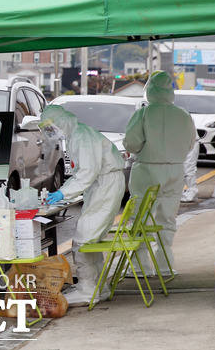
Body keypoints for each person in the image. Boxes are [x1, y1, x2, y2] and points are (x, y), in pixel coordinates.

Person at [39, 105, 126, 306]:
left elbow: (87, 172)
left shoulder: (80, 137)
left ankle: (87, 289)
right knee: (91, 239)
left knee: (84, 238)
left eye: (51, 127)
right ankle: (98, 287)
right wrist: (63, 191)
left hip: (105, 185)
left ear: (62, 121)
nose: (51, 132)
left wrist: (63, 193)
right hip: (103, 184)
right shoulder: (76, 134)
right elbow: (81, 173)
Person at [124, 71, 196, 276]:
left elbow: (131, 142)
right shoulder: (183, 114)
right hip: (175, 168)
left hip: (147, 167)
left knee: (140, 217)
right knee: (168, 218)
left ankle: (140, 267)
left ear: (151, 90)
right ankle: (165, 266)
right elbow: (190, 143)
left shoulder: (143, 114)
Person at [181, 134, 200, 202]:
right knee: (180, 170)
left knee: (188, 169)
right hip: (178, 143)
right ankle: (180, 193)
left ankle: (192, 193)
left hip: (191, 142)